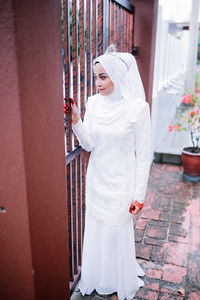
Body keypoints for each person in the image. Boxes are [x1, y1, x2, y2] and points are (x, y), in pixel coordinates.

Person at [70, 45, 151, 300]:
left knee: (116, 230)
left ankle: (117, 277)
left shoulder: (138, 108)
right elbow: (90, 144)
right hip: (97, 179)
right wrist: (75, 121)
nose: (97, 82)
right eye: (96, 76)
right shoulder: (92, 103)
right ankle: (98, 276)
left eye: (103, 76)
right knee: (97, 228)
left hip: (122, 183)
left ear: (117, 75)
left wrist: (139, 195)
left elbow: (145, 155)